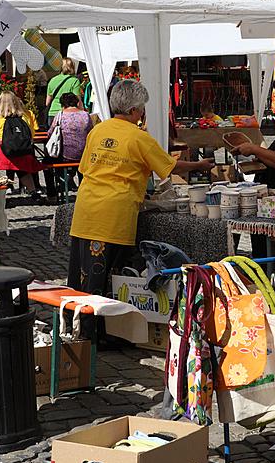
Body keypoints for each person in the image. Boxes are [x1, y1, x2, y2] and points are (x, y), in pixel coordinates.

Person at [68, 80, 214, 340]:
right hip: (113, 213)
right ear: (135, 110)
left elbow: (84, 168)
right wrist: (199, 164)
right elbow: (169, 167)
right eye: (142, 108)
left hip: (86, 208)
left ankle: (77, 328)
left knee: (82, 276)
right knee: (108, 276)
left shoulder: (98, 131)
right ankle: (100, 335)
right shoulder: (138, 137)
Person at [0, 91, 42, 195]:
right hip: (23, 153)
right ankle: (33, 192)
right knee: (23, 171)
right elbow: (31, 135)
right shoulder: (25, 117)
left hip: (4, 154)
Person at [44, 92, 93, 201]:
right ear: (77, 102)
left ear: (62, 104)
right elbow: (91, 132)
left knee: (45, 164)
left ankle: (52, 195)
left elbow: (50, 133)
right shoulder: (85, 115)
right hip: (83, 155)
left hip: (64, 156)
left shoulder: (60, 115)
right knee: (82, 166)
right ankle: (84, 192)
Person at [46, 57, 82, 126]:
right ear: (72, 67)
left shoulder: (52, 80)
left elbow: (47, 103)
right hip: (68, 115)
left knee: (54, 136)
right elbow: (78, 101)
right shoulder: (74, 81)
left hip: (53, 114)